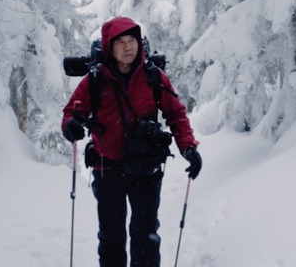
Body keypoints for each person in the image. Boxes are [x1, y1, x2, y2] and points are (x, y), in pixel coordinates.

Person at [62, 16, 202, 267]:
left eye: (132, 41)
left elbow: (176, 113)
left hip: (145, 170)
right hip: (108, 171)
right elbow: (73, 112)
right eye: (121, 42)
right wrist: (71, 125)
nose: (128, 47)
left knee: (145, 235)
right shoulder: (95, 80)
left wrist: (189, 147)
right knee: (111, 237)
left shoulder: (153, 77)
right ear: (109, 47)